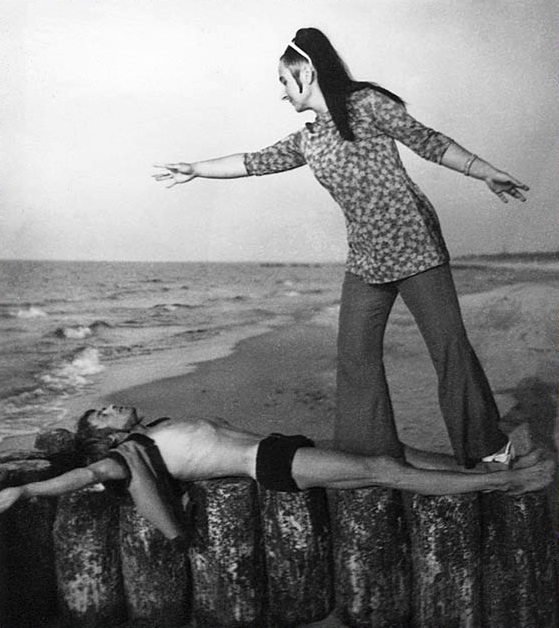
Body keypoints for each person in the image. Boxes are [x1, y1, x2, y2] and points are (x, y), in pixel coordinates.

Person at [153, 27, 532, 470]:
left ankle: (487, 448)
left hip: (416, 246)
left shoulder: (368, 104)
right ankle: (369, 454)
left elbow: (427, 141)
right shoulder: (308, 139)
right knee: (355, 355)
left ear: (307, 72)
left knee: (449, 348)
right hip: (366, 259)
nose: (281, 92)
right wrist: (195, 168)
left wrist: (483, 171)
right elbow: (252, 162)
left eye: (283, 80)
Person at [0, 406, 553, 540]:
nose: (111, 405)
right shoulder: (125, 456)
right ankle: (503, 482)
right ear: (104, 436)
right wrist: (24, 490)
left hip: (280, 447)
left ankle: (487, 467)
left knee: (391, 450)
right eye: (102, 413)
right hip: (269, 464)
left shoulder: (158, 425)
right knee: (385, 469)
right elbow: (78, 478)